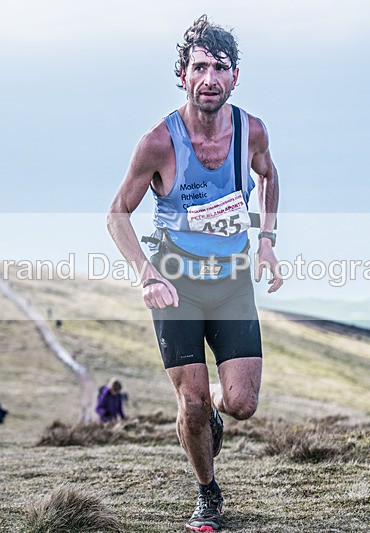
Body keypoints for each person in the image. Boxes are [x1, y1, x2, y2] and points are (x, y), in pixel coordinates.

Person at [107, 14, 283, 532]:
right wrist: (145, 273)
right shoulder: (158, 142)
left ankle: (205, 423)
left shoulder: (252, 130)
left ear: (234, 77)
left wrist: (267, 240)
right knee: (192, 398)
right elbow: (117, 213)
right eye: (199, 66)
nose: (210, 78)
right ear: (182, 74)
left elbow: (269, 177)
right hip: (175, 283)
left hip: (231, 283)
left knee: (241, 404)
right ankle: (208, 494)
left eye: (220, 67)